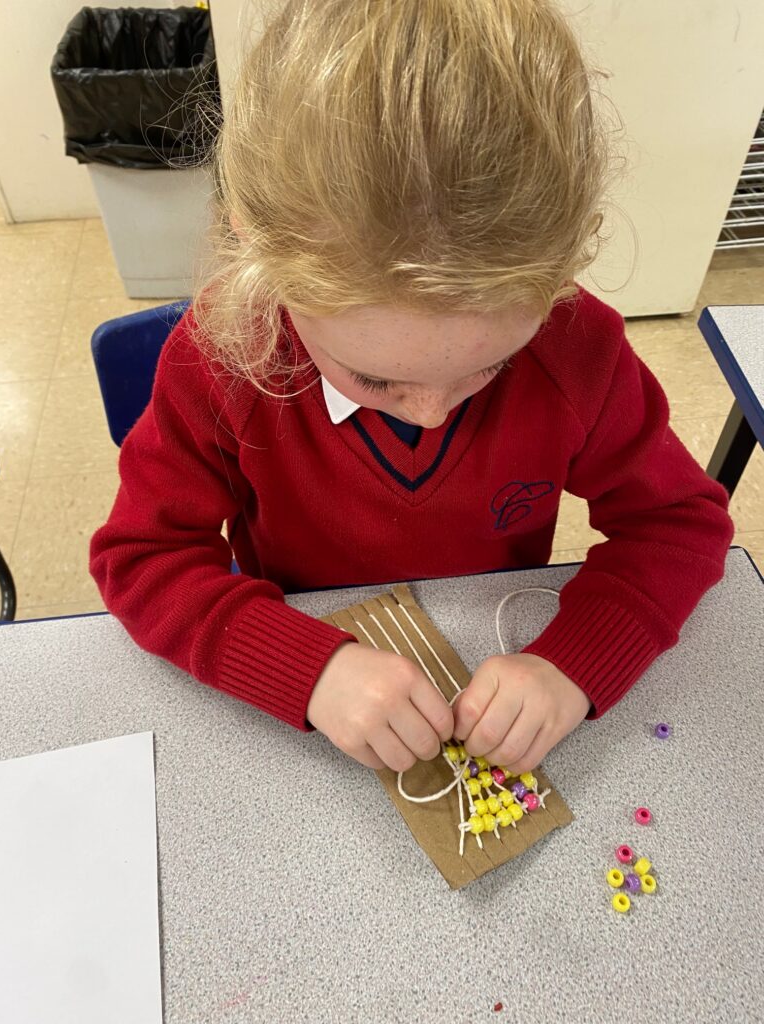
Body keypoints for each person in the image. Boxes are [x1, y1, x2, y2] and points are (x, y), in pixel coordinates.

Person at [90, 0, 732, 777]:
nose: (432, 414)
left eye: (488, 369)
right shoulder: (223, 361)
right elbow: (143, 558)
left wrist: (572, 662)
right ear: (260, 254)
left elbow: (679, 527)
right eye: (374, 378)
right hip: (315, 689)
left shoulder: (577, 349)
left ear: (561, 269)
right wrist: (309, 667)